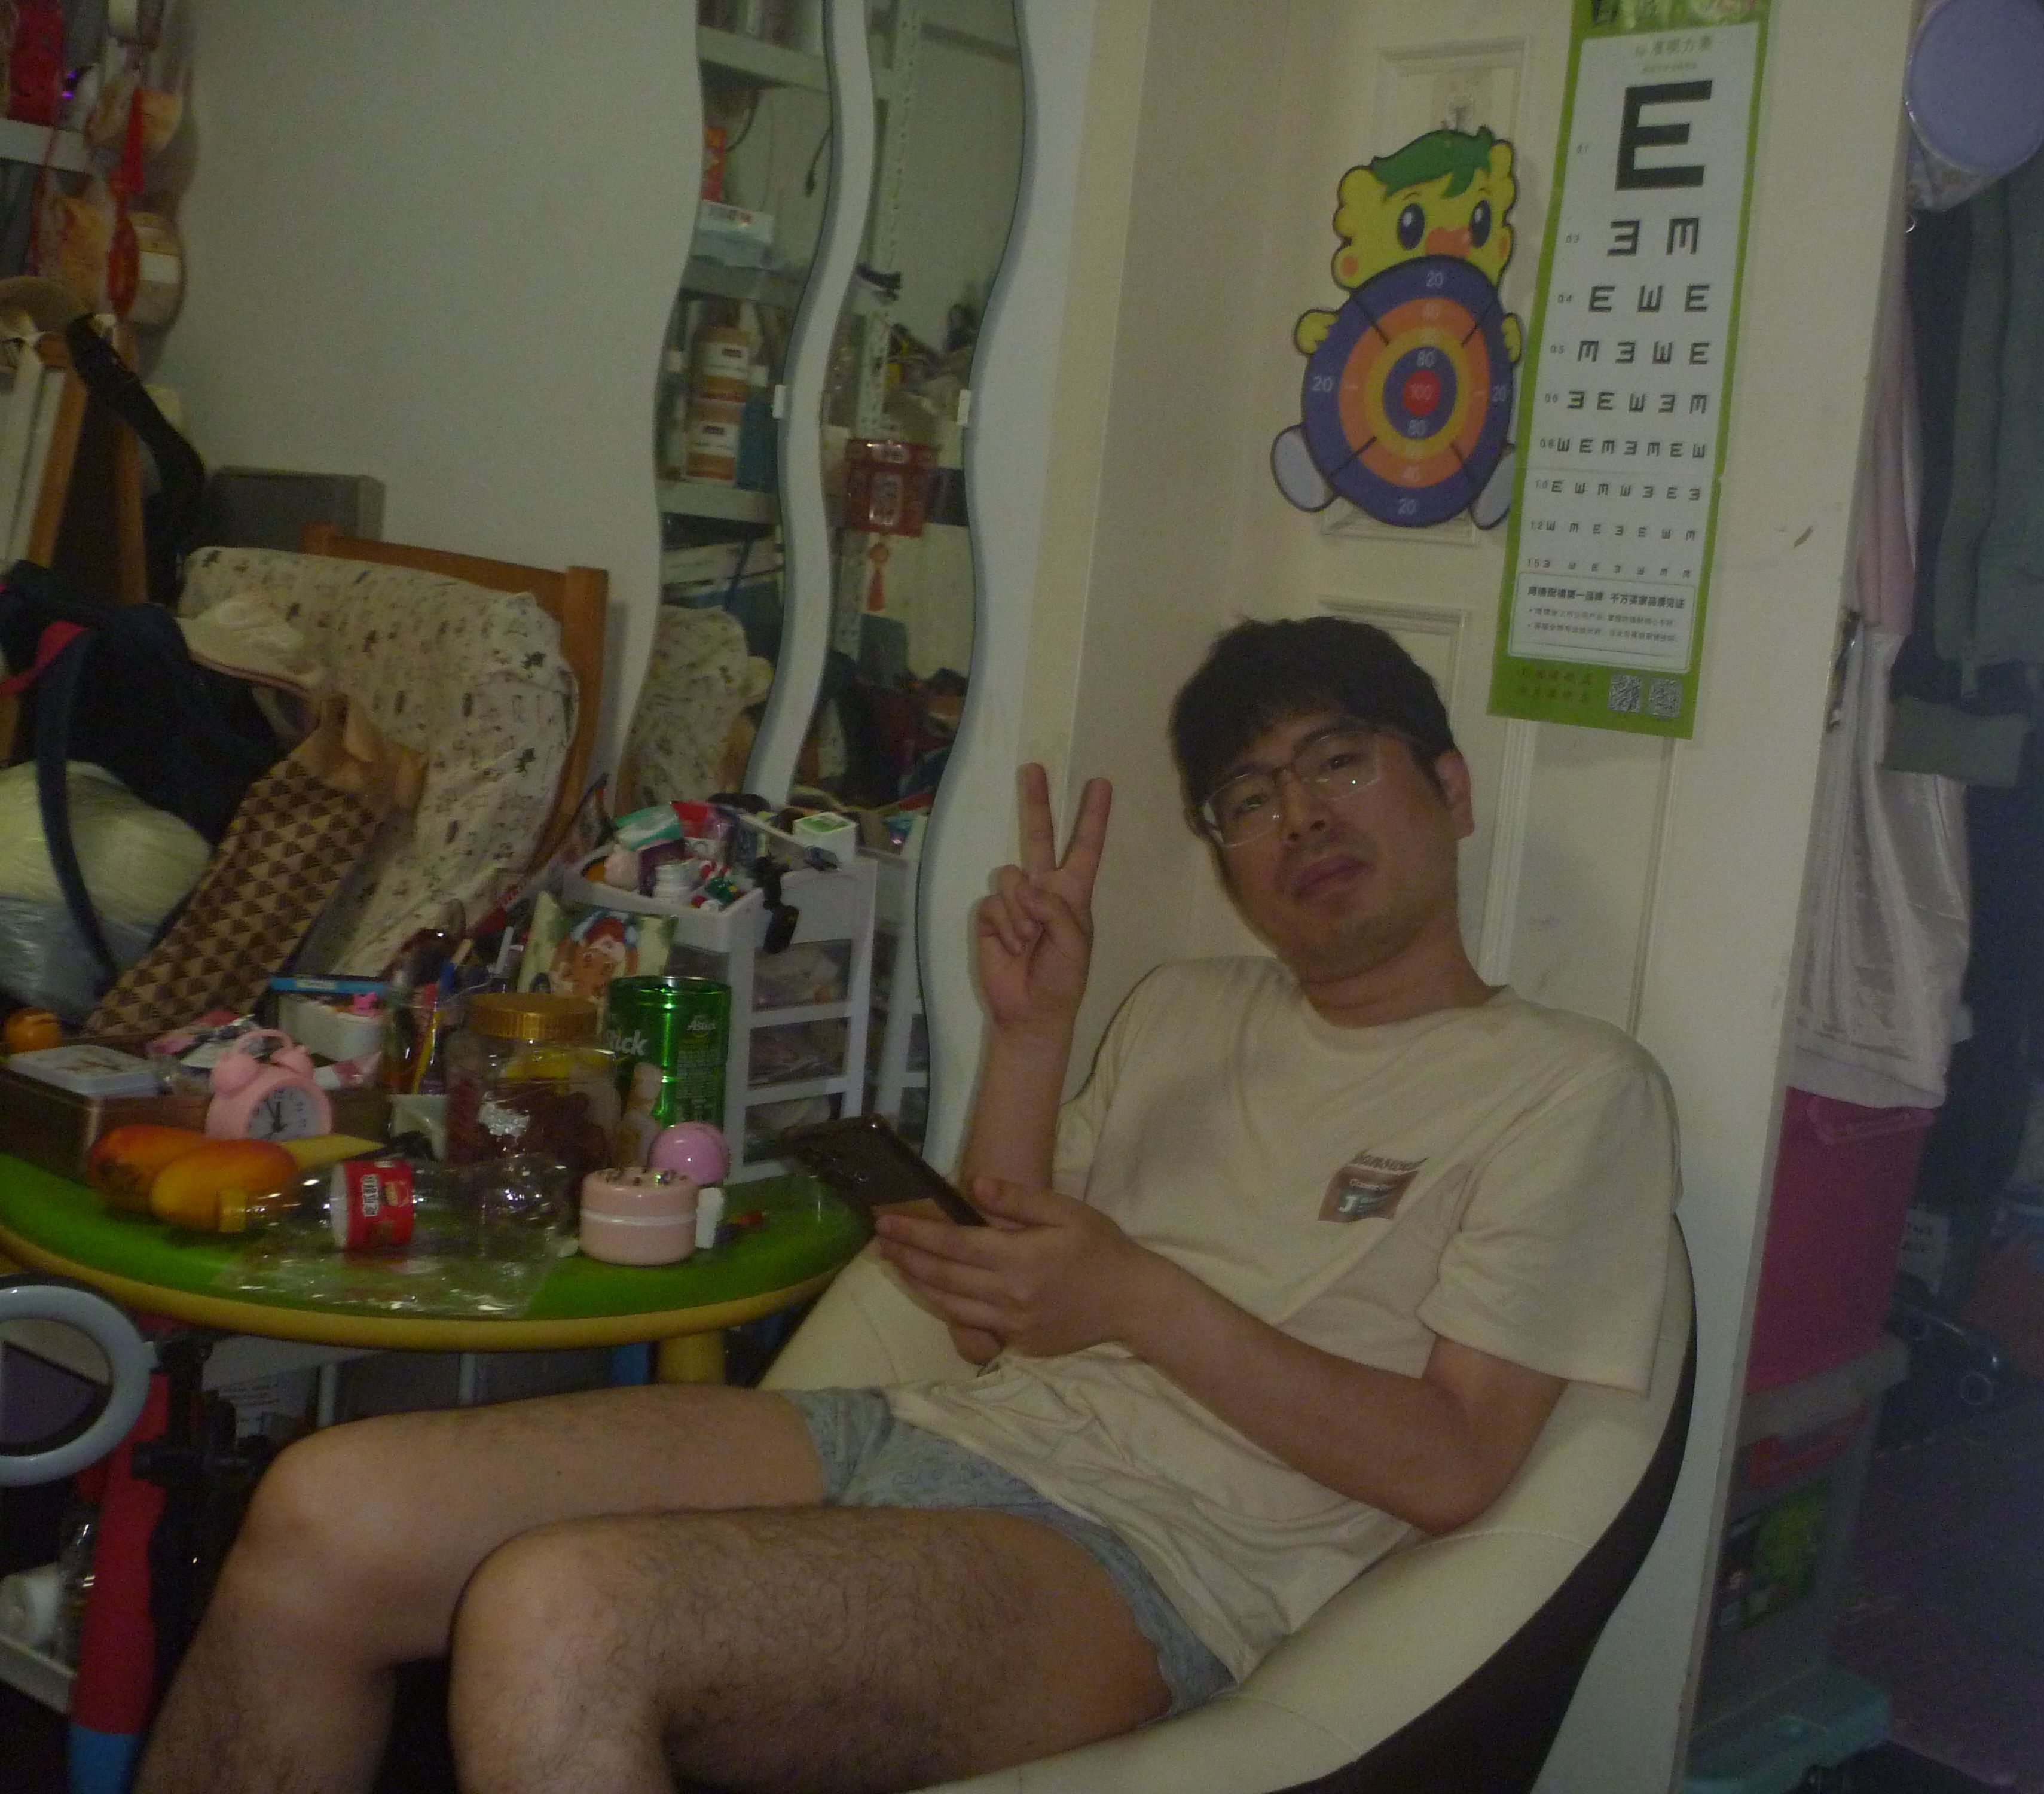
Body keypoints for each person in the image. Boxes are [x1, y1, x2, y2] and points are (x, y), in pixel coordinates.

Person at [135, 617, 1678, 1794]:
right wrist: (1031, 1036)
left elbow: (1456, 1465)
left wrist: (1142, 1300)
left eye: (1340, 763)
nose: (1301, 820)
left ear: (1450, 789)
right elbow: (994, 1302)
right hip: (931, 1432)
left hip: (1148, 1564)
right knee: (328, 1509)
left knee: (565, 1612)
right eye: (1249, 798)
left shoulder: (1569, 1085)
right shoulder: (1187, 1009)